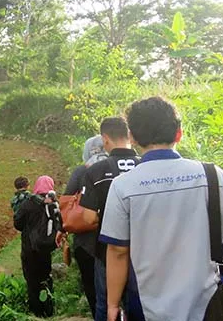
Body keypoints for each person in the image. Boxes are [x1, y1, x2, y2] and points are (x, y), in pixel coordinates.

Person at [101, 97, 223, 321]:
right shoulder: (213, 176)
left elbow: (118, 251)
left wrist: (112, 304)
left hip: (146, 307)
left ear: (132, 137)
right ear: (179, 133)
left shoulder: (123, 186)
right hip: (209, 305)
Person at [79, 117, 140, 321]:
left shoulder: (96, 171)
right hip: (146, 251)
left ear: (105, 139)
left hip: (108, 251)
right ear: (130, 136)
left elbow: (88, 219)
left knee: (106, 305)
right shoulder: (146, 166)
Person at [61, 135, 108, 318]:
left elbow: (66, 201)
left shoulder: (81, 172)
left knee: (92, 285)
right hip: (119, 238)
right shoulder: (117, 167)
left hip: (86, 242)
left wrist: (61, 229)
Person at [14, 176, 62, 317]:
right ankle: (49, 310)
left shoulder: (28, 203)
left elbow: (17, 224)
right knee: (46, 278)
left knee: (32, 281)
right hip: (45, 249)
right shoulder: (52, 203)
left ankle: (36, 313)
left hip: (29, 249)